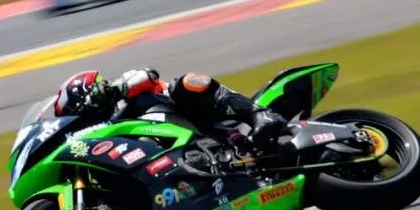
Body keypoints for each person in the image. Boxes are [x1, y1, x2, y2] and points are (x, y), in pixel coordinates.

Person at [53, 69, 289, 151]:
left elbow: (149, 74)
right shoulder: (104, 135)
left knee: (185, 84)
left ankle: (258, 114)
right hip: (178, 154)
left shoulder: (122, 94)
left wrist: (116, 89)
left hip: (194, 118)